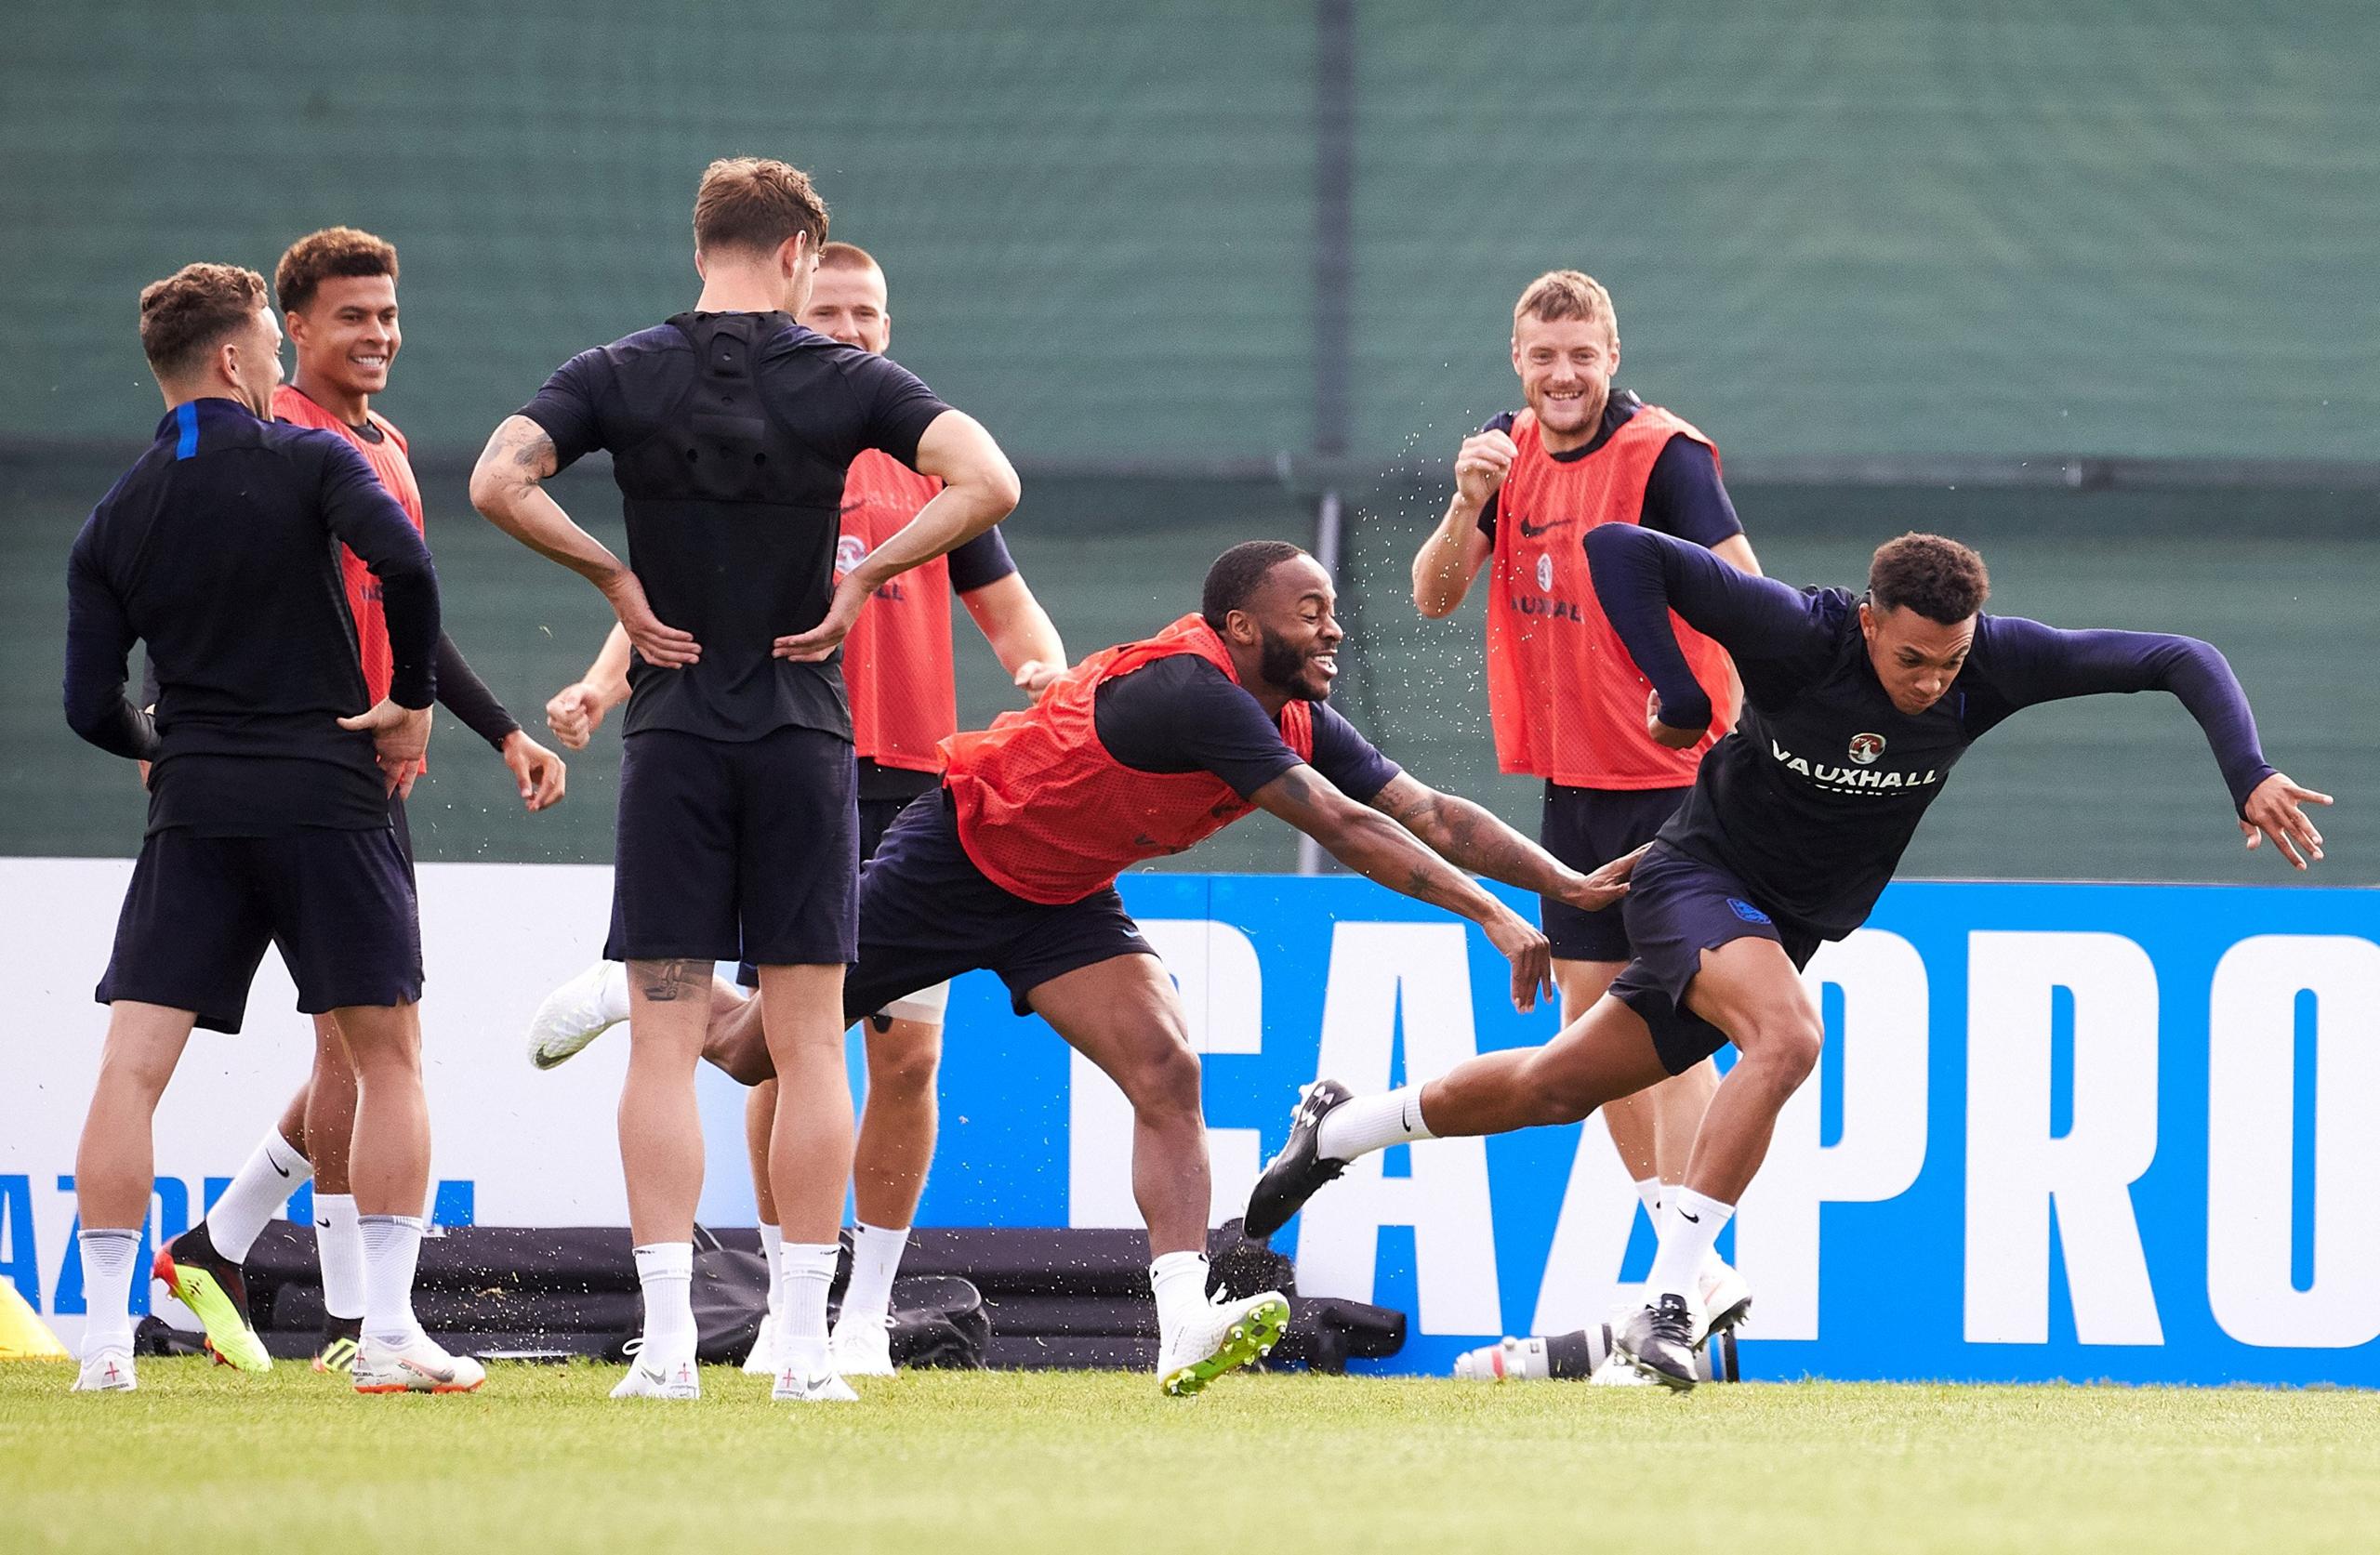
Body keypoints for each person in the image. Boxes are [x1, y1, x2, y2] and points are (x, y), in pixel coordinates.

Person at [539, 540, 1644, 1397]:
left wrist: (1571, 886)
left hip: (1061, 897)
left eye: (1330, 610)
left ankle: (1180, 1327)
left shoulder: (1297, 709)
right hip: (959, 854)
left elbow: (1428, 809)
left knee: (1167, 1068)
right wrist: (1497, 921)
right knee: (746, 1053)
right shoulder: (1195, 689)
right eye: (1310, 611)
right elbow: (1353, 832)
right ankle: (628, 990)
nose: (1333, 624)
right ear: (1239, 624)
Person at [1249, 524, 2332, 1389]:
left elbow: (2180, 656)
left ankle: (1336, 1127)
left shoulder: (1991, 665)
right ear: (1866, 621)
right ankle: (1670, 1303)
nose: (1927, 681)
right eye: (1909, 657)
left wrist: (2247, 770)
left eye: (1947, 662)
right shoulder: (1797, 632)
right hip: (1689, 880)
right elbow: (1617, 550)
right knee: (1787, 1034)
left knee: (1551, 1084)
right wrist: (1674, 687)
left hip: (1778, 924)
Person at [469, 157, 1021, 1403]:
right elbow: (991, 479)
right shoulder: (845, 378)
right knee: (813, 1045)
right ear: (796, 256)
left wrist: (612, 582)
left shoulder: (619, 370)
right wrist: (866, 581)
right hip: (800, 739)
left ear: (701, 245)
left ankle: (666, 1349)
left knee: (663, 1044)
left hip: (671, 739)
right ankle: (803, 1348)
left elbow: (498, 479)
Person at [148, 228, 566, 1381]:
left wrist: (500, 728)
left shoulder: (378, 444)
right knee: (373, 1044)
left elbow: (408, 612)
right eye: (349, 318)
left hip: (364, 773)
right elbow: (193, 577)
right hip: (304, 776)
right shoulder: (281, 441)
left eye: (387, 314)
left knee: (354, 1043)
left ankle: (228, 1250)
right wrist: (154, 715)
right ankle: (357, 1318)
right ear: (292, 330)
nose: (376, 334)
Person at [63, 262, 481, 1394]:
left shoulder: (116, 514)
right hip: (326, 795)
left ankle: (105, 1345)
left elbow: (86, 704)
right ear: (241, 358)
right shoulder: (312, 458)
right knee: (389, 1060)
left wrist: (161, 747)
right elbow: (404, 564)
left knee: (128, 1073)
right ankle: (388, 1333)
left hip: (195, 805)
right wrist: (409, 701)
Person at [1408, 269, 1759, 1353]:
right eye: (1543, 356)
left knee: (1672, 1030)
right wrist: (1466, 499)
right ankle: (1686, 1273)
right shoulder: (1498, 451)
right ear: (1517, 359)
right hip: (1573, 786)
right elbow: (1432, 594)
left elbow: (1753, 597)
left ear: (1613, 355)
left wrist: (1711, 719)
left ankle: (1683, 1277)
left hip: (1676, 783)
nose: (1563, 375)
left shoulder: (1666, 457)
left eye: (1582, 355)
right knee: (1594, 1027)